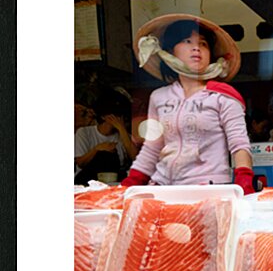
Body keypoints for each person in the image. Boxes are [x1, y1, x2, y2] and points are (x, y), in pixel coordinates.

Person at [120, 14, 255, 194]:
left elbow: (239, 144)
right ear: (170, 51)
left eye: (203, 44)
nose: (196, 48)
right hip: (163, 189)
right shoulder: (158, 97)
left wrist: (244, 179)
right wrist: (132, 181)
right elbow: (152, 148)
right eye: (187, 41)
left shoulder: (223, 97)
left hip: (208, 189)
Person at [74, 93, 138, 185]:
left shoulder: (124, 135)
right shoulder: (84, 132)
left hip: (114, 182)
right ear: (103, 116)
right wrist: (97, 149)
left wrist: (121, 129)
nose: (118, 119)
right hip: (88, 181)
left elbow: (135, 158)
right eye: (115, 115)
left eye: (120, 116)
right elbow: (80, 163)